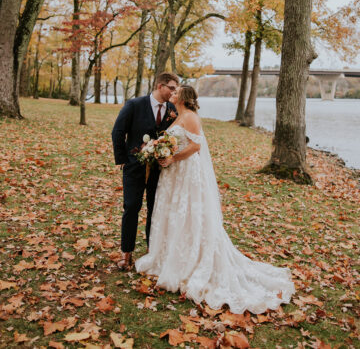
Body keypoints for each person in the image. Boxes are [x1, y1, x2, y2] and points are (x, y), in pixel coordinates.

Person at [136, 85, 295, 314]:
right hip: (173, 174)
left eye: (176, 91)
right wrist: (159, 151)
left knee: (188, 214)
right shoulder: (178, 115)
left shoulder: (190, 117)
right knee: (174, 213)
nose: (172, 92)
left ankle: (189, 263)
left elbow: (196, 146)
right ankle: (168, 257)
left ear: (184, 97)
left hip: (185, 173)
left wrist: (172, 158)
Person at [111, 72, 179, 270]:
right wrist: (122, 160)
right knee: (131, 207)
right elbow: (118, 132)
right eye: (172, 88)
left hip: (160, 170)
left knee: (155, 210)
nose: (174, 93)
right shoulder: (134, 105)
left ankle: (152, 252)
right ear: (160, 86)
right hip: (134, 166)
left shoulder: (173, 109)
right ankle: (126, 253)